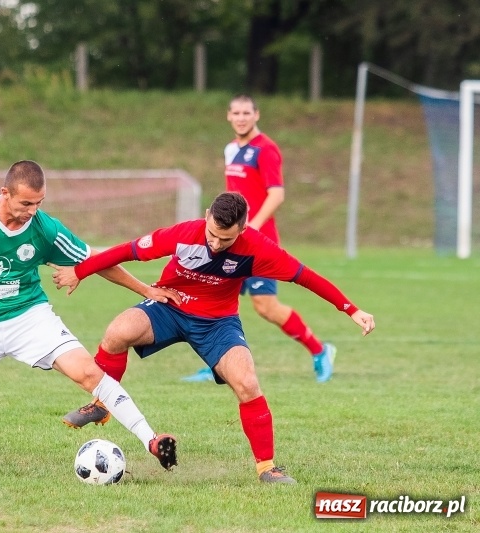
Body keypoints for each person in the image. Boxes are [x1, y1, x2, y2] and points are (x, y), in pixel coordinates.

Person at [0, 160, 178, 481]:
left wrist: (145, 288)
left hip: (30, 320)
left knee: (89, 372)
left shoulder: (45, 228)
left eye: (39, 203)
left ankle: (151, 439)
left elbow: (96, 260)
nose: (32, 211)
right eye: (26, 203)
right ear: (5, 193)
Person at [52, 192, 375, 484]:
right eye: (212, 235)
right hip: (171, 305)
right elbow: (127, 250)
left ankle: (267, 468)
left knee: (247, 383)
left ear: (243, 229)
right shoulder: (182, 234)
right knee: (117, 332)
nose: (217, 243)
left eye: (226, 239)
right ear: (206, 215)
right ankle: (101, 405)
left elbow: (306, 277)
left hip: (218, 323)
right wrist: (80, 271)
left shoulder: (259, 249)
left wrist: (351, 309)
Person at [184, 94, 336, 384]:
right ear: (229, 116)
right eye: (236, 113)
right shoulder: (230, 149)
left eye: (246, 113)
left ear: (257, 115)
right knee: (211, 298)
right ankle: (216, 364)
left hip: (258, 243)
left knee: (265, 306)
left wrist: (250, 226)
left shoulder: (266, 149)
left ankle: (320, 351)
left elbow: (276, 194)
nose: (241, 117)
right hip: (233, 241)